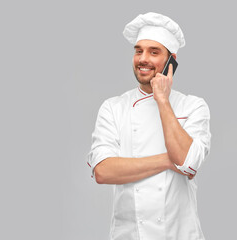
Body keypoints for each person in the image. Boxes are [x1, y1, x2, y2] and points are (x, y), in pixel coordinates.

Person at [87, 12, 211, 240]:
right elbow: (103, 171)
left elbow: (188, 162)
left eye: (154, 52)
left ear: (171, 61)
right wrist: (167, 160)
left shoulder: (193, 106)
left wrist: (162, 99)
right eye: (138, 51)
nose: (142, 59)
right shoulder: (113, 108)